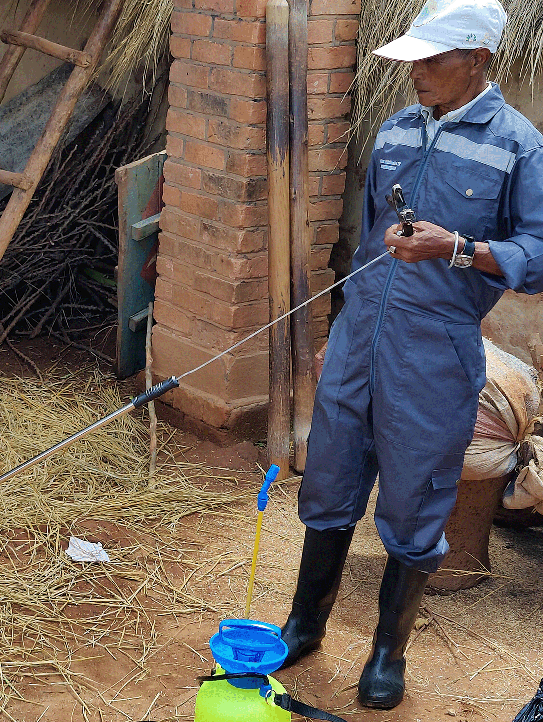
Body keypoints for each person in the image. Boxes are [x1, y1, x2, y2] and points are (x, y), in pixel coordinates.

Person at [279, 0, 543, 710]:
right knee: (329, 481)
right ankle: (305, 625)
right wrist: (343, 324)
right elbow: (370, 246)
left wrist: (455, 248)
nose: (417, 74)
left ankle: (387, 652)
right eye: (414, 60)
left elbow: (540, 255)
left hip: (435, 351)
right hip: (361, 336)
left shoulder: (518, 147)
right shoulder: (396, 131)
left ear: (478, 60)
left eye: (432, 60)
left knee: (416, 499)